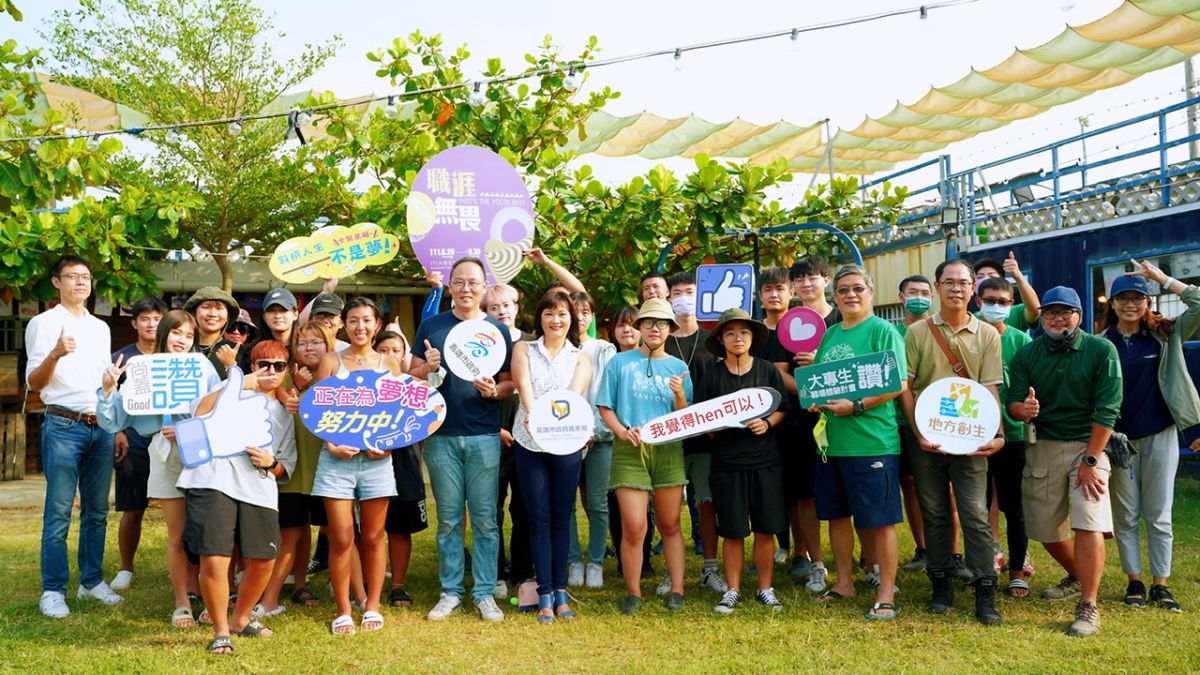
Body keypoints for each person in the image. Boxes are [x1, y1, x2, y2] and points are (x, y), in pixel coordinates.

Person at [1007, 286, 1122, 637]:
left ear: (1080, 316)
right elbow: (1012, 403)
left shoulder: (1101, 349)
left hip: (1089, 444)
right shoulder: (1027, 354)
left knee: (1088, 518)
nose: (1057, 318)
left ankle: (1088, 603)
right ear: (1041, 317)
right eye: (1050, 313)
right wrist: (1022, 410)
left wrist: (1090, 458)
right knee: (1043, 528)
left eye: (1065, 312)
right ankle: (1077, 574)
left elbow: (1108, 409)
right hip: (1043, 444)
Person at [98, 309, 223, 627]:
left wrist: (190, 427)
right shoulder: (143, 370)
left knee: (209, 533)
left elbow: (220, 415)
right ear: (164, 333)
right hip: (164, 455)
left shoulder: (203, 367)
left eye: (189, 336)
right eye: (176, 333)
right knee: (177, 535)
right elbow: (114, 421)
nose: (182, 340)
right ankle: (182, 601)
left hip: (201, 455)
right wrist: (109, 390)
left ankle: (212, 599)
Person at [900, 259, 1006, 625]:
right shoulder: (917, 333)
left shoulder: (988, 334)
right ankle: (940, 583)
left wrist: (999, 433)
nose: (957, 289)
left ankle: (985, 588)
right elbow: (906, 388)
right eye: (949, 282)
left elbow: (991, 387)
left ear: (973, 288)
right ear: (937, 286)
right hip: (927, 441)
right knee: (935, 512)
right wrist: (919, 434)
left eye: (963, 282)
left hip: (970, 439)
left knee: (975, 514)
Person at [410, 257, 514, 622]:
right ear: (450, 286)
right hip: (441, 435)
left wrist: (493, 392)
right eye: (459, 282)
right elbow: (412, 374)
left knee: (486, 519)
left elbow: (509, 382)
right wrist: (428, 366)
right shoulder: (432, 325)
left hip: (484, 435)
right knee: (450, 520)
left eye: (473, 282)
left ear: (484, 286)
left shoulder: (496, 329)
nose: (466, 288)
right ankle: (450, 590)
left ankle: (484, 591)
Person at [177, 340, 297, 654]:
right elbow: (197, 411)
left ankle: (241, 619)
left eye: (278, 366)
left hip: (258, 486)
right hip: (211, 479)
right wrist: (237, 380)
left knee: (263, 559)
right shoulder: (229, 389)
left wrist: (271, 464)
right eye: (263, 364)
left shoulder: (285, 413)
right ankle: (220, 631)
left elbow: (287, 465)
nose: (270, 372)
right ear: (251, 366)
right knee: (215, 557)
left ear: (286, 372)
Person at [808, 265, 906, 621]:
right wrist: (815, 399)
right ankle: (844, 582)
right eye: (844, 290)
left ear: (871, 293)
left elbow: (898, 383)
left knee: (880, 521)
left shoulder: (883, 331)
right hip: (832, 444)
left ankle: (885, 593)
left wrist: (858, 406)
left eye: (858, 289)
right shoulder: (831, 334)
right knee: (836, 516)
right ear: (835, 296)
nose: (851, 295)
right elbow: (819, 381)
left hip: (873, 442)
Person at [1101, 260, 1199, 613]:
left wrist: (1161, 278)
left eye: (1138, 298)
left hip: (1160, 434)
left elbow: (1199, 303)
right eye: (1123, 299)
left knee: (1159, 513)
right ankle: (1135, 581)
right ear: (1111, 305)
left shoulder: (1165, 334)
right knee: (1126, 515)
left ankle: (1161, 584)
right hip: (1119, 442)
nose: (1130, 304)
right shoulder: (1101, 344)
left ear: (1148, 303)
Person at [26, 256, 121, 618]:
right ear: (56, 282)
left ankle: (92, 581)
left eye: (86, 276)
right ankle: (52, 590)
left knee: (97, 512)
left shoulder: (100, 327)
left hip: (102, 423)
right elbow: (34, 382)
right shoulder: (43, 323)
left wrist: (111, 390)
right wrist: (55, 353)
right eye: (72, 277)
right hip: (64, 425)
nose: (81, 282)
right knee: (59, 513)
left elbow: (102, 381)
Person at [311, 298, 401, 634]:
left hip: (378, 462)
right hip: (337, 462)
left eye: (366, 320)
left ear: (377, 325)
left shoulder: (390, 362)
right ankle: (344, 609)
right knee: (341, 537)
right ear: (342, 325)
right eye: (353, 320)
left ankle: (373, 605)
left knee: (375, 537)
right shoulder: (331, 361)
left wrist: (388, 444)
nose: (360, 327)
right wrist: (331, 443)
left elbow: (398, 414)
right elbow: (318, 413)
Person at [597, 298, 692, 615]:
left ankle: (677, 588)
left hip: (668, 448)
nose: (655, 328)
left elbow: (685, 415)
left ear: (670, 329)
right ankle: (633, 591)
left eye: (662, 323)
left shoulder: (679, 367)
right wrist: (622, 431)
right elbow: (605, 407)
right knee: (634, 526)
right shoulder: (619, 363)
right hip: (629, 447)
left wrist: (679, 393)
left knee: (670, 523)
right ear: (639, 327)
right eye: (649, 322)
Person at [698, 309, 789, 615]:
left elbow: (782, 408)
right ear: (721, 339)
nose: (739, 339)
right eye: (731, 333)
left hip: (765, 462)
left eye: (745, 333)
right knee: (733, 530)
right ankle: (732, 590)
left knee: (766, 528)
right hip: (727, 464)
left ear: (753, 338)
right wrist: (719, 426)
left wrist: (768, 423)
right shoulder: (712, 376)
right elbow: (702, 421)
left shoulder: (767, 371)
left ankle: (766, 588)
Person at [511, 290, 593, 622]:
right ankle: (544, 592)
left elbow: (574, 398)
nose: (555, 320)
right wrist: (534, 417)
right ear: (539, 318)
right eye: (549, 314)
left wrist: (562, 425)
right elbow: (523, 387)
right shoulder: (523, 349)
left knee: (563, 517)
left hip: (567, 444)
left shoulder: (581, 357)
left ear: (571, 318)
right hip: (529, 442)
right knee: (538, 518)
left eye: (562, 314)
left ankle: (561, 592)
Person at [754, 266, 828, 592]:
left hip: (802, 421)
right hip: (762, 423)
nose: (774, 294)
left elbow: (807, 373)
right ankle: (780, 547)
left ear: (790, 292)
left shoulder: (805, 327)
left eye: (779, 288)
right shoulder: (753, 332)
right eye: (767, 289)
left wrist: (804, 386)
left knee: (803, 493)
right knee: (774, 491)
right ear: (760, 295)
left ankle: (806, 556)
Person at [256, 322, 334, 616]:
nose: (309, 348)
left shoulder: (336, 379)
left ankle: (301, 584)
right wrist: (296, 388)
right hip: (290, 469)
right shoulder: (283, 375)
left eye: (317, 342)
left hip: (327, 467)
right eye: (302, 343)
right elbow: (280, 399)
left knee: (315, 531)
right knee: (290, 534)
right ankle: (270, 598)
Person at [664, 272, 726, 595]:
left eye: (690, 291)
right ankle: (671, 571)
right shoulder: (661, 338)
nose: (684, 298)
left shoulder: (713, 339)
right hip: (670, 437)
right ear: (668, 298)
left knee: (706, 502)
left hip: (705, 437)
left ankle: (710, 568)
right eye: (677, 292)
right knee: (669, 506)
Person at [976, 276, 1034, 598]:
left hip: (1013, 436)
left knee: (1014, 507)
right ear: (978, 301)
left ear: (1012, 305)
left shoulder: (1022, 342)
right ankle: (985, 568)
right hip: (976, 436)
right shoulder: (969, 337)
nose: (996, 306)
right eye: (990, 300)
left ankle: (1016, 572)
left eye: (1003, 301)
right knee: (980, 507)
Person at [108, 296, 167, 591]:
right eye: (145, 319)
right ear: (134, 323)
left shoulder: (176, 356)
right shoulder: (121, 358)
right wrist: (117, 431)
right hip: (133, 440)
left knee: (180, 508)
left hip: (169, 438)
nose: (151, 324)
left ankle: (184, 565)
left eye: (157, 318)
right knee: (133, 507)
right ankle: (125, 568)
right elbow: (110, 399)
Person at [373, 329, 431, 608]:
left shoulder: (416, 386)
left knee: (399, 528)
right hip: (370, 461)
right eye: (383, 350)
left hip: (405, 463)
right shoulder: (362, 386)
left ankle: (398, 585)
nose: (389, 356)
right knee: (368, 529)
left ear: (405, 355)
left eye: (396, 350)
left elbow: (427, 421)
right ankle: (365, 583)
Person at [483, 282, 532, 600]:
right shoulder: (481, 342)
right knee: (491, 510)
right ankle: (496, 572)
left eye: (507, 305)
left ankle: (523, 572)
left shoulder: (532, 344)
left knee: (525, 508)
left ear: (518, 307)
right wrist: (495, 429)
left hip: (528, 438)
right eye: (494, 307)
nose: (502, 311)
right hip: (491, 437)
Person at [566, 291, 617, 589]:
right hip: (565, 438)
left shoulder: (603, 349)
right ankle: (573, 560)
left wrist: (595, 430)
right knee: (566, 504)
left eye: (587, 312)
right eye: (576, 312)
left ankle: (595, 561)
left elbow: (607, 394)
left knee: (598, 503)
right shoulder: (558, 348)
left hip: (600, 437)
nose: (581, 318)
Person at [605, 305, 656, 581]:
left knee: (647, 507)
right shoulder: (610, 360)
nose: (627, 330)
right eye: (621, 325)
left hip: (653, 444)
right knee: (617, 503)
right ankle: (624, 560)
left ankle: (645, 559)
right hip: (614, 440)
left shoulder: (655, 361)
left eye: (633, 324)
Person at [892, 275, 934, 573]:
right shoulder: (892, 332)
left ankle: (950, 551)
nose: (919, 297)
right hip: (896, 422)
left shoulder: (937, 330)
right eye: (913, 292)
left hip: (934, 419)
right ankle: (922, 548)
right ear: (901, 297)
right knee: (909, 485)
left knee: (942, 490)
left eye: (924, 292)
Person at [973, 253, 1041, 330]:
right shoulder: (971, 320)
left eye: (992, 276)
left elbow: (1035, 311)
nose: (986, 279)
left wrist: (1018, 276)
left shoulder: (1016, 313)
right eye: (980, 277)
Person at [185, 287, 240, 378]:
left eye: (219, 308)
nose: (212, 314)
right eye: (205, 307)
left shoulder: (238, 351)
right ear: (194, 314)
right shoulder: (182, 347)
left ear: (227, 316)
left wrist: (231, 364)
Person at [240, 287, 298, 371]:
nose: (277, 316)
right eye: (271, 310)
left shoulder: (306, 347)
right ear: (264, 316)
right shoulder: (252, 351)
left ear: (295, 314)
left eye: (283, 310)